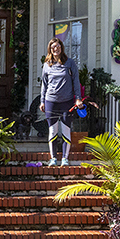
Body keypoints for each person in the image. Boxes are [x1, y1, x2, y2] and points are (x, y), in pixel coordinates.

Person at [40, 38, 81, 166]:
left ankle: (64, 159)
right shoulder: (47, 65)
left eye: (58, 46)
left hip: (66, 102)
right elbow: (44, 84)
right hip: (50, 101)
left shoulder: (69, 63)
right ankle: (53, 158)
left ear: (61, 48)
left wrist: (78, 98)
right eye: (53, 47)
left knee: (66, 130)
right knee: (53, 130)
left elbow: (76, 81)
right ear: (50, 49)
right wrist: (42, 101)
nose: (56, 49)